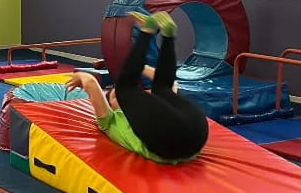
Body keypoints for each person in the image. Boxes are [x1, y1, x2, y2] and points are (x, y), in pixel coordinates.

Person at [66, 11, 208, 164]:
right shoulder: (108, 121)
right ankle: (148, 33)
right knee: (127, 88)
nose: (117, 98)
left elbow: (170, 82)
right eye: (112, 97)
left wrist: (140, 67)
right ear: (111, 107)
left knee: (162, 88)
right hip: (172, 146)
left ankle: (167, 36)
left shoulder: (154, 110)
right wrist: (81, 75)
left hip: (196, 133)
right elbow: (91, 83)